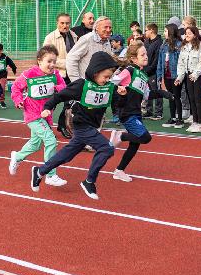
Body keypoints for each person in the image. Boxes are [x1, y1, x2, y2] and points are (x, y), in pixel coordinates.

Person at [30, 51, 119, 200]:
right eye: (105, 76)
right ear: (95, 73)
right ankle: (89, 181)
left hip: (92, 125)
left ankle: (39, 171)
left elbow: (118, 104)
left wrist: (121, 95)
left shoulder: (109, 87)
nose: (107, 80)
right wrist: (47, 107)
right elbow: (59, 96)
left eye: (110, 77)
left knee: (67, 154)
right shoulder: (81, 86)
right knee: (107, 148)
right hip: (81, 124)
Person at [107, 41, 169, 181]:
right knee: (145, 137)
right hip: (127, 112)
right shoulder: (129, 70)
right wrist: (118, 91)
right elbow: (112, 82)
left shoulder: (143, 75)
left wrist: (163, 93)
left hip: (136, 113)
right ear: (134, 59)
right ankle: (120, 136)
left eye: (146, 53)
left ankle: (119, 171)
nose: (146, 56)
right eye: (142, 54)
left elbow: (147, 95)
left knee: (135, 144)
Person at [9, 45, 68, 186]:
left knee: (35, 144)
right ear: (39, 61)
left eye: (54, 61)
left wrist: (56, 88)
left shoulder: (55, 74)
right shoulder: (29, 74)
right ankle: (50, 174)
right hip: (32, 114)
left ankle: (17, 157)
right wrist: (18, 101)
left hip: (46, 114)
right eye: (49, 61)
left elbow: (64, 87)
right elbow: (16, 87)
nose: (52, 64)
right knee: (51, 140)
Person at [174, 25, 201, 133]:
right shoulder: (184, 46)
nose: (187, 35)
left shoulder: (200, 46)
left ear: (195, 34)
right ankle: (194, 121)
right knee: (191, 99)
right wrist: (180, 77)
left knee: (198, 99)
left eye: (189, 33)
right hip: (189, 75)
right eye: (186, 33)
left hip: (199, 76)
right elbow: (181, 63)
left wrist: (195, 74)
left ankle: (200, 123)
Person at [65, 16, 113, 81]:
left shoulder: (107, 41)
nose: (108, 30)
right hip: (86, 84)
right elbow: (71, 58)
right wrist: (76, 81)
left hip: (100, 84)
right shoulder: (87, 39)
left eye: (110, 27)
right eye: (105, 27)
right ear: (97, 28)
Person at [158, 23, 183, 128]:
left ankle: (179, 119)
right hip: (167, 75)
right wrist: (159, 75)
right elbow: (160, 61)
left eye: (165, 31)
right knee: (170, 96)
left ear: (171, 31)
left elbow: (181, 61)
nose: (164, 33)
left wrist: (179, 75)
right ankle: (172, 118)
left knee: (176, 96)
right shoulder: (164, 45)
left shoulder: (179, 44)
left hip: (175, 75)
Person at [142, 23, 164, 120]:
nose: (145, 32)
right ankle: (149, 111)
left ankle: (159, 112)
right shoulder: (146, 42)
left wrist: (149, 69)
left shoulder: (159, 42)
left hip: (154, 72)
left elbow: (157, 60)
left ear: (151, 30)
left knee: (156, 91)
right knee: (148, 91)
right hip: (146, 71)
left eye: (146, 30)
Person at [0, 43, 17, 109]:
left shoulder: (5, 57)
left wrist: (14, 69)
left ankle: (2, 101)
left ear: (1, 51)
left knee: (2, 88)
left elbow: (11, 63)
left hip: (3, 75)